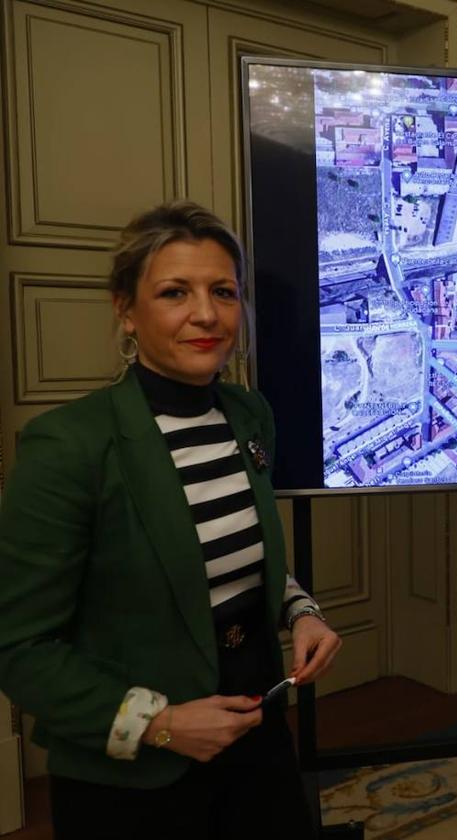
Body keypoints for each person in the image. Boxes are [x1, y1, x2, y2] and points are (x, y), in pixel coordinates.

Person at [0, 201, 342, 839]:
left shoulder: (248, 416)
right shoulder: (68, 447)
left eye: (223, 292)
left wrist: (300, 611)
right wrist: (161, 723)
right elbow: (20, 651)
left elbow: (238, 556)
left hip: (258, 735)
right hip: (136, 781)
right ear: (125, 309)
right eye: (174, 292)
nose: (206, 314)